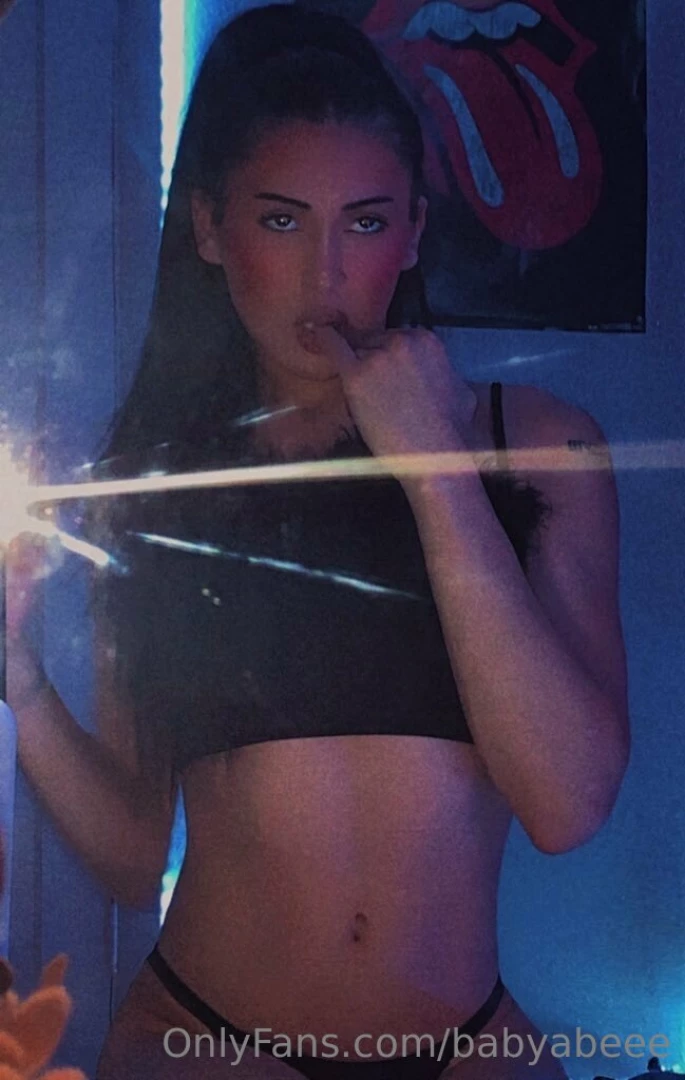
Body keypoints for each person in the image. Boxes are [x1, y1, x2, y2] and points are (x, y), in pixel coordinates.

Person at [5, 5, 630, 1078]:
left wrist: (432, 471)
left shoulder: (535, 446)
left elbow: (568, 805)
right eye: (283, 221)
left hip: (464, 1042)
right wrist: (16, 672)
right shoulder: (161, 483)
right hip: (206, 1037)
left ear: (415, 232)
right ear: (211, 229)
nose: (327, 273)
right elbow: (133, 851)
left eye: (366, 222)